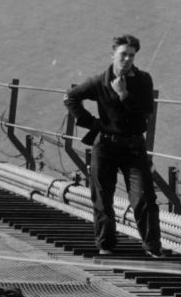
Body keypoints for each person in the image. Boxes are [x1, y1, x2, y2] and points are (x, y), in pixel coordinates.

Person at [65, 33, 163, 257]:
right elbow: (70, 97)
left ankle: (152, 247)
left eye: (131, 55)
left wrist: (124, 94)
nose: (127, 59)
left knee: (144, 197)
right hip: (105, 146)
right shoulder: (99, 80)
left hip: (133, 147)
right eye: (123, 54)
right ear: (113, 55)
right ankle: (106, 245)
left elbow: (145, 114)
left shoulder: (143, 80)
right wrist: (92, 123)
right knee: (102, 198)